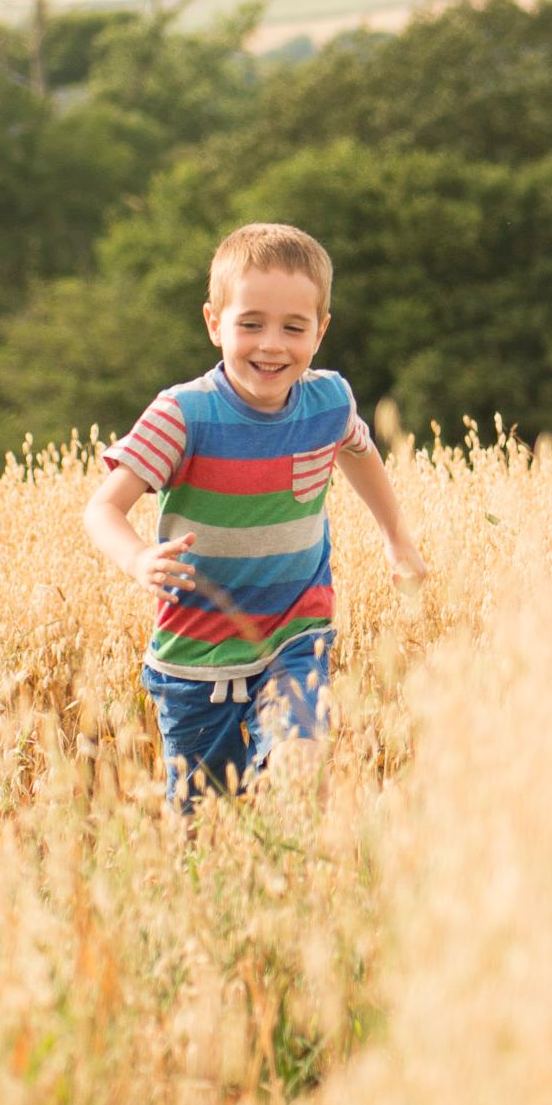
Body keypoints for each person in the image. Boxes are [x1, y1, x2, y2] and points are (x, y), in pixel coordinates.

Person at [82, 220, 426, 807]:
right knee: (201, 822)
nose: (272, 345)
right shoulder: (183, 415)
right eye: (250, 324)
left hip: (296, 635)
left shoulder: (329, 402)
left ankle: (290, 878)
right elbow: (102, 509)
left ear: (320, 331)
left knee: (298, 770)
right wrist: (138, 557)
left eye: (294, 327)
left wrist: (397, 539)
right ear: (214, 324)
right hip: (196, 660)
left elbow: (363, 457)